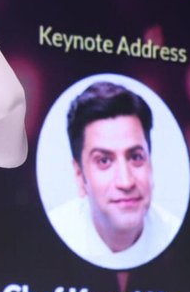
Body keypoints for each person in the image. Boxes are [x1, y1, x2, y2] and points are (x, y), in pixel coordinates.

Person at [47, 80, 180, 269]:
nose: (126, 182)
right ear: (79, 175)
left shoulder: (177, 237)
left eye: (136, 157)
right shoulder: (49, 239)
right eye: (104, 161)